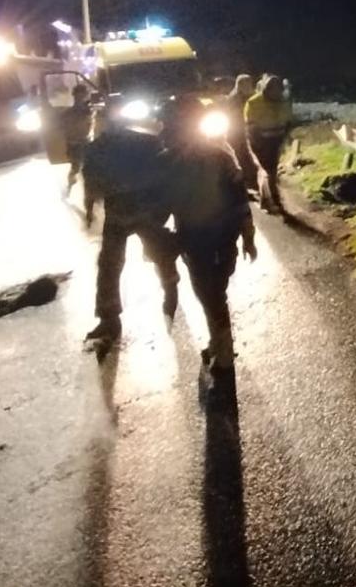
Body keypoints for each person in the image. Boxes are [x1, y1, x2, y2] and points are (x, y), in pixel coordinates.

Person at [161, 97, 257, 373]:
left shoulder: (169, 160)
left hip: (200, 240)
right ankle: (219, 342)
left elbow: (159, 205)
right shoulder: (220, 156)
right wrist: (247, 236)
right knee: (214, 292)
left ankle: (223, 350)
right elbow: (241, 202)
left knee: (210, 294)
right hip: (219, 239)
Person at [82, 128, 180, 346]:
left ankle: (110, 318)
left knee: (112, 264)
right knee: (150, 253)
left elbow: (91, 184)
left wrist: (89, 207)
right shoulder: (146, 141)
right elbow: (166, 176)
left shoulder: (98, 148)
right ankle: (169, 287)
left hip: (128, 211)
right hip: (136, 210)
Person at [244, 74, 292, 214]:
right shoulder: (254, 103)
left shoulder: (283, 102)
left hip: (275, 141)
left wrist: (285, 137)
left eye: (279, 90)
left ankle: (266, 201)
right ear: (266, 89)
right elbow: (250, 126)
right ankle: (274, 199)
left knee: (271, 171)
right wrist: (257, 143)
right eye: (273, 90)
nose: (276, 93)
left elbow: (288, 121)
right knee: (268, 171)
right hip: (259, 142)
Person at [225, 74, 258, 191]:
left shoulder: (254, 97)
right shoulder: (233, 98)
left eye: (248, 83)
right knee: (241, 156)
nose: (247, 86)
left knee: (250, 156)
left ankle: (252, 179)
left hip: (251, 131)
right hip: (236, 132)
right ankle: (247, 181)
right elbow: (232, 115)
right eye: (244, 84)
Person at [63, 83, 93, 196]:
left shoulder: (88, 110)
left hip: (85, 143)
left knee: (88, 169)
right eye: (82, 94)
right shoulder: (70, 113)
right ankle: (70, 186)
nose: (83, 97)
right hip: (76, 144)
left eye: (84, 94)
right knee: (76, 168)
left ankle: (88, 193)